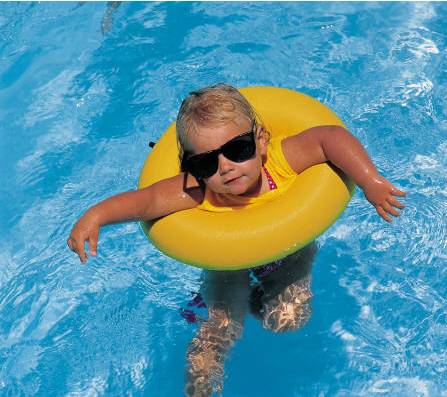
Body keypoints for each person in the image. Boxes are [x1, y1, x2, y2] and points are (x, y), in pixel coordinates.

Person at [67, 83, 405, 396]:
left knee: (287, 319)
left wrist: (369, 181)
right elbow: (148, 201)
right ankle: (200, 388)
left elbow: (329, 138)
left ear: (260, 141)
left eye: (238, 149)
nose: (226, 167)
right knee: (218, 327)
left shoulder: (282, 162)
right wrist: (96, 215)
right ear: (191, 167)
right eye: (206, 162)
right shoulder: (197, 191)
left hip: (290, 252)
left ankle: (257, 297)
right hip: (226, 264)